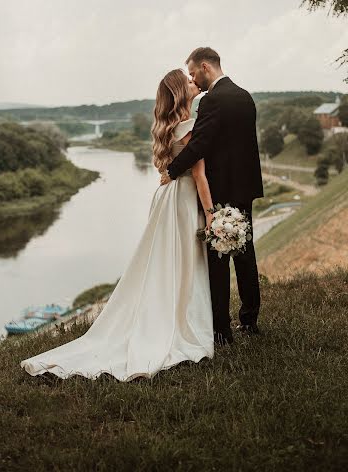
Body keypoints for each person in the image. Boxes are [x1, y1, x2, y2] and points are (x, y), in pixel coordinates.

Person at [20, 69, 215, 381]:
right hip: (182, 201)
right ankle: (182, 321)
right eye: (189, 82)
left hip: (165, 198)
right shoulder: (189, 127)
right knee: (183, 263)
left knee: (164, 264)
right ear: (181, 93)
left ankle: (166, 314)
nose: (195, 84)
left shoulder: (167, 127)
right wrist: (212, 213)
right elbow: (199, 174)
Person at [163, 47, 264, 345]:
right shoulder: (245, 96)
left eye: (193, 73)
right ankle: (250, 319)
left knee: (217, 260)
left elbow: (200, 146)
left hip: (219, 190)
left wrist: (171, 170)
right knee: (246, 254)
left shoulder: (212, 101)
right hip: (245, 187)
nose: (193, 78)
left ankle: (221, 329)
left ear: (205, 67)